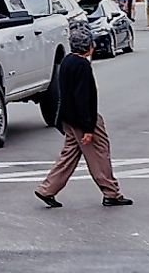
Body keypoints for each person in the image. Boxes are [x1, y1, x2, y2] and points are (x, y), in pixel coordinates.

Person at [34, 31, 129, 209]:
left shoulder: (67, 61)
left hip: (67, 117)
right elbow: (84, 97)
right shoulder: (82, 65)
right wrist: (88, 128)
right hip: (82, 119)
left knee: (69, 155)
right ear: (89, 46)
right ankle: (111, 192)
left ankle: (47, 189)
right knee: (100, 153)